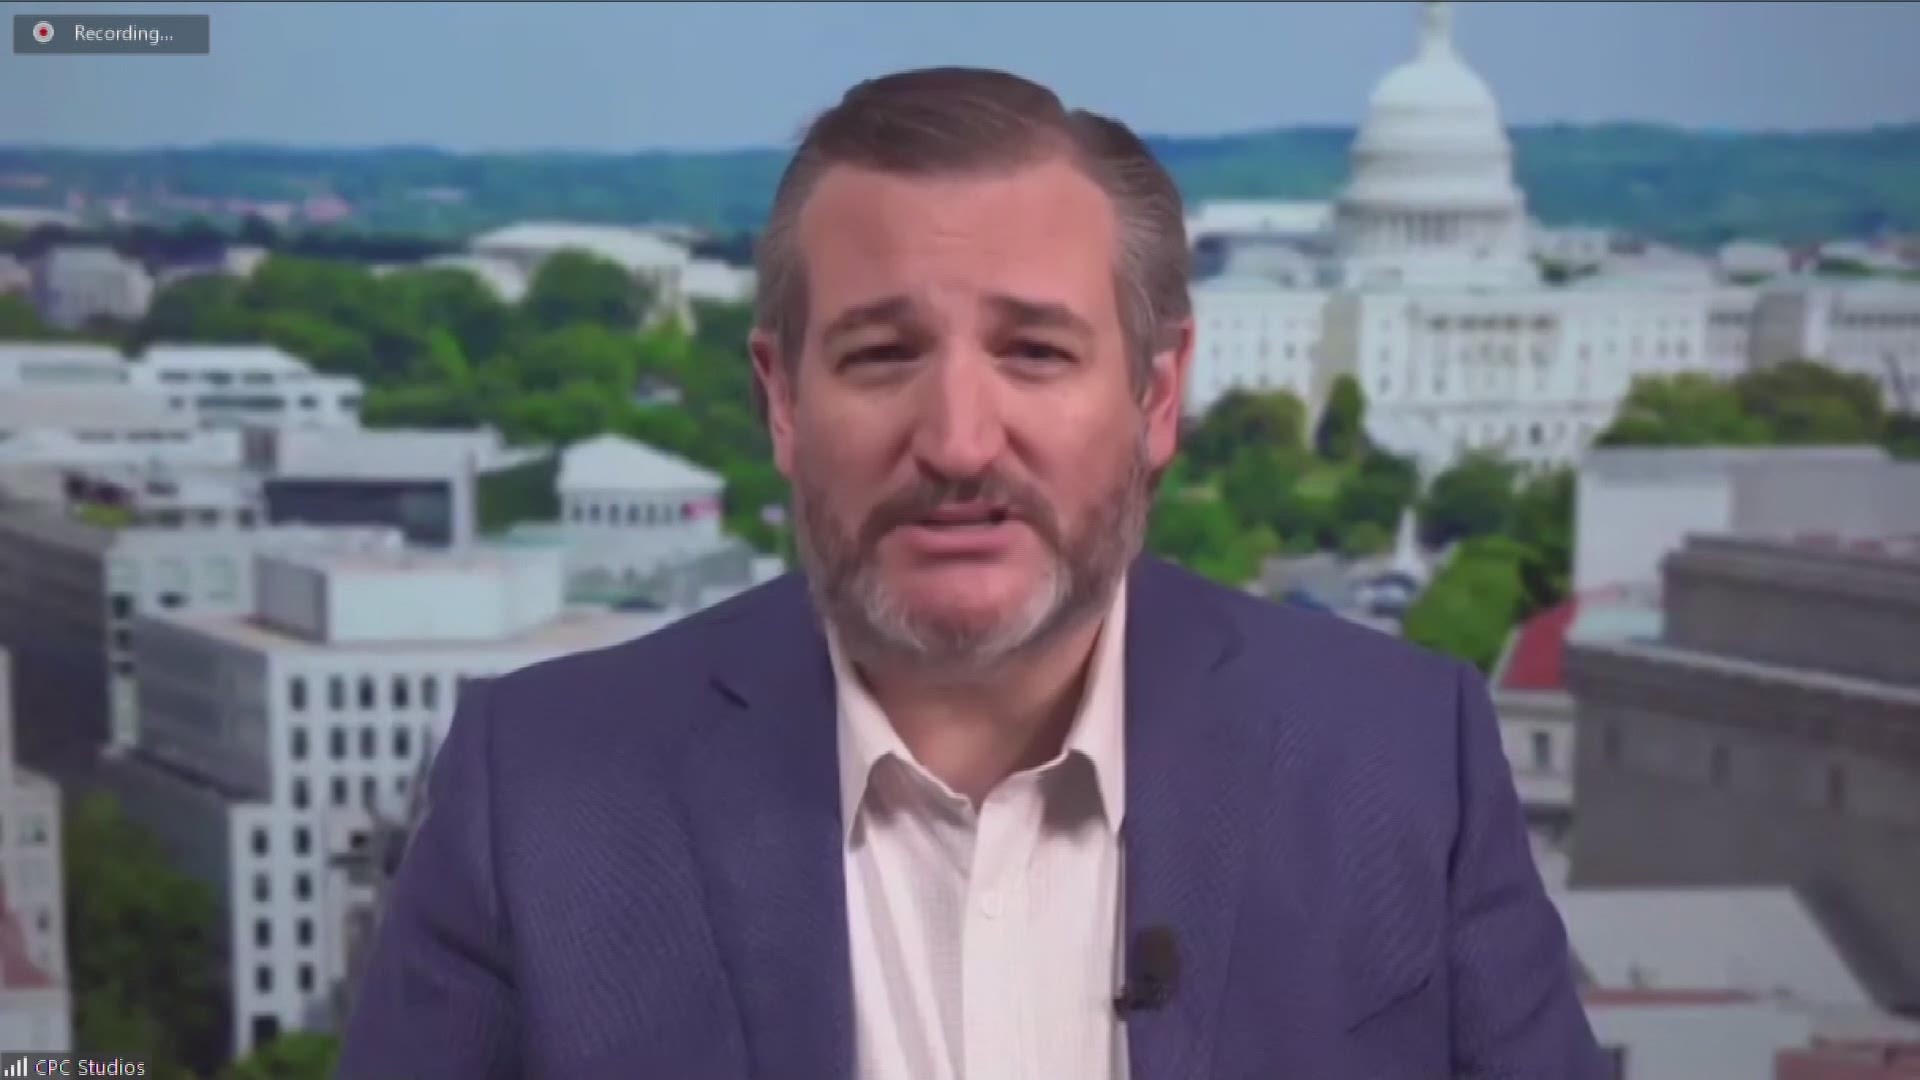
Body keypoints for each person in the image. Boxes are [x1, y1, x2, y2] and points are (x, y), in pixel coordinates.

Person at [338, 66, 1606, 1079]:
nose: (957, 441)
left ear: (1158, 395)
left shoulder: (1399, 761)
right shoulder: (542, 793)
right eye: (883, 355)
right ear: (782, 401)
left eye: (1036, 353)